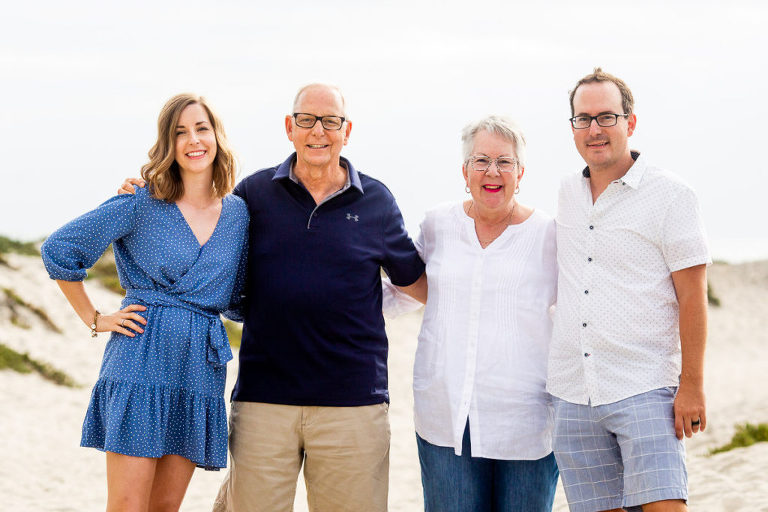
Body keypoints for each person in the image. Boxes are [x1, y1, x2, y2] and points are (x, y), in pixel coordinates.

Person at [120, 84, 425, 512]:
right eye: (306, 120)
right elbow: (198, 218)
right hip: (264, 400)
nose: (318, 131)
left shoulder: (376, 200)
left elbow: (417, 282)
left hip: (353, 404)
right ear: (290, 127)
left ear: (346, 130)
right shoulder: (253, 195)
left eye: (330, 121)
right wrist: (147, 191)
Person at [41, 94, 249, 512]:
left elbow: (241, 301)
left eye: (201, 128)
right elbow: (60, 250)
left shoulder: (239, 214)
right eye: (179, 132)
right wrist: (95, 319)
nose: (193, 140)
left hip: (199, 371)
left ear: (217, 137)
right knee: (127, 507)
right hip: (140, 360)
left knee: (165, 509)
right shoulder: (141, 201)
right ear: (167, 145)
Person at [547, 68, 710, 512]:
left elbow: (693, 295)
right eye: (583, 119)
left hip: (644, 387)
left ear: (629, 122)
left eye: (606, 117)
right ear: (573, 127)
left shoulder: (671, 194)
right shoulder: (566, 194)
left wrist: (691, 385)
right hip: (573, 392)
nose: (594, 129)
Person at [387, 115, 559, 511]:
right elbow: (403, 292)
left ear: (521, 172)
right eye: (481, 161)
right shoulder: (438, 225)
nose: (492, 172)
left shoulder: (548, 235)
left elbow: (578, 314)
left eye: (504, 162)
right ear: (465, 172)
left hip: (527, 423)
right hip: (446, 419)